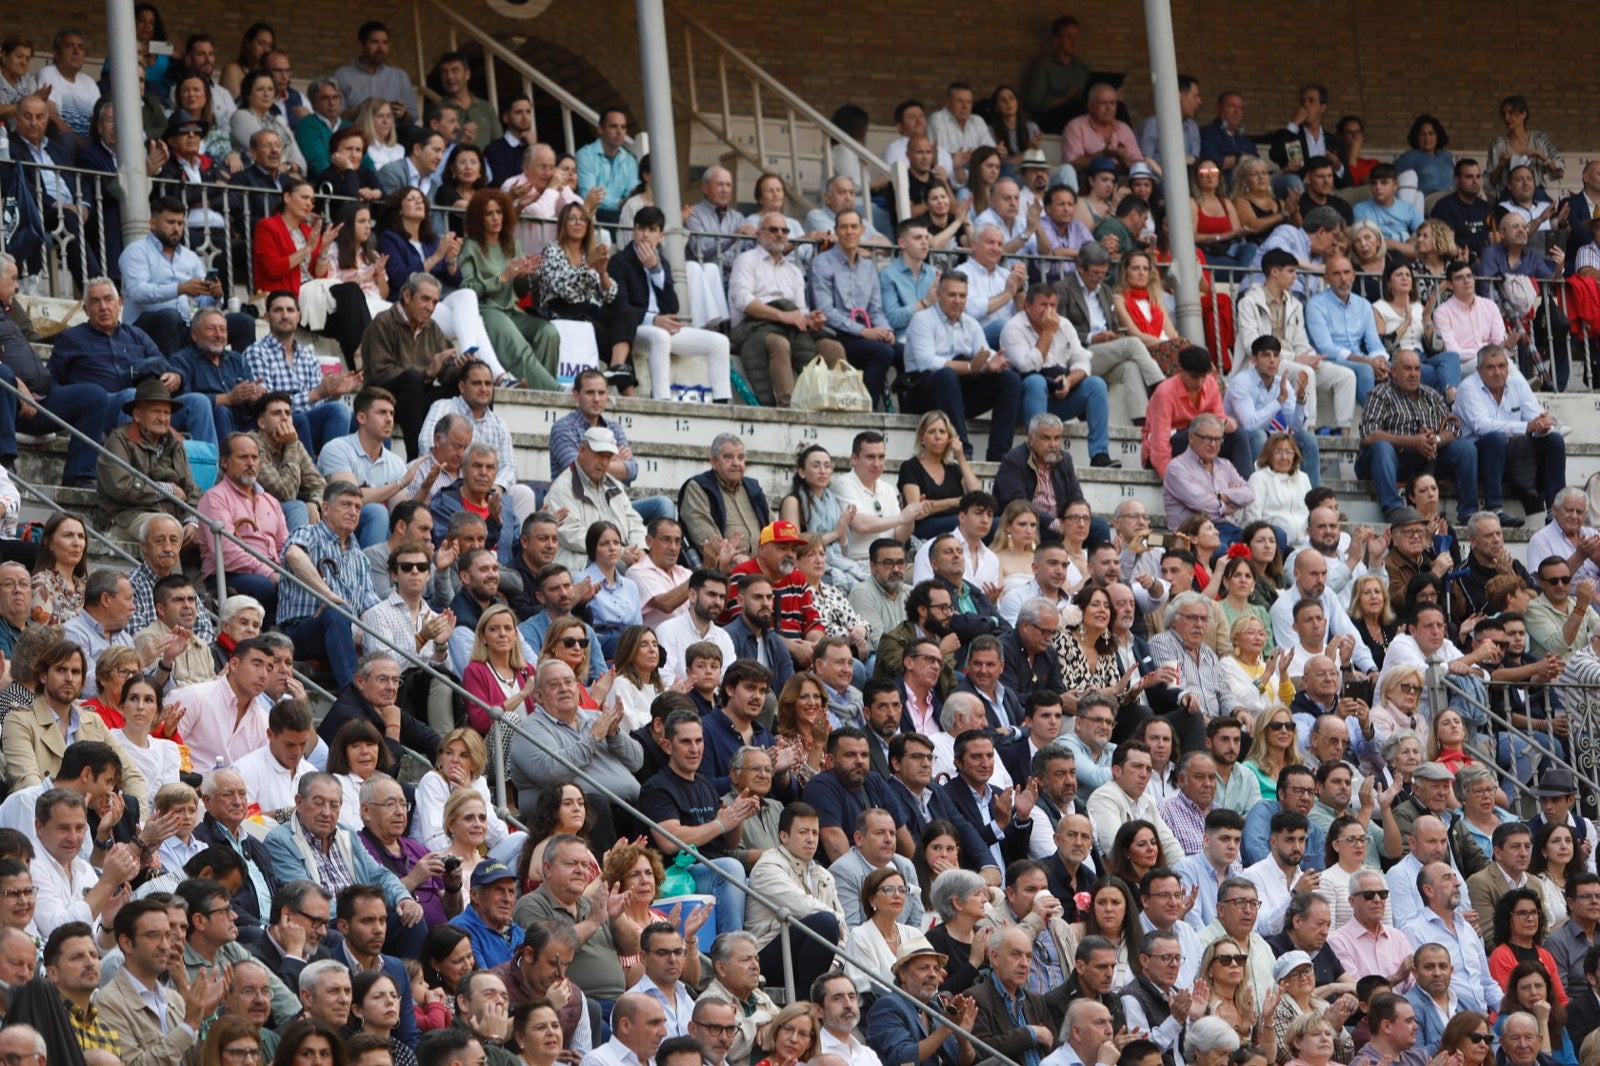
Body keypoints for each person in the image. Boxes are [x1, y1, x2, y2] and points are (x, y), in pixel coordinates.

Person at [457, 190, 561, 391]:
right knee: (519, 347)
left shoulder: (513, 245)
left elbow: (521, 293)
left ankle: (539, 391)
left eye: (499, 212)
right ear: (479, 219)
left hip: (512, 311)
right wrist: (501, 278)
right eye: (489, 214)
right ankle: (554, 391)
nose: (496, 218)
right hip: (487, 311)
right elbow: (467, 290)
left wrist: (523, 276)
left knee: (549, 333)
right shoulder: (470, 246)